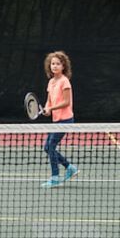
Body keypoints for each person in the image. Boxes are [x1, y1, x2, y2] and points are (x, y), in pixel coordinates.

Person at [41, 51, 79, 188]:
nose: (55, 66)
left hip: (66, 120)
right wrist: (46, 108)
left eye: (58, 64)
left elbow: (66, 102)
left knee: (51, 146)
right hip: (56, 121)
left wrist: (51, 108)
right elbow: (49, 101)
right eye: (52, 64)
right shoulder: (51, 82)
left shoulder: (65, 81)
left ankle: (55, 176)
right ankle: (70, 167)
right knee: (47, 147)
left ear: (63, 66)